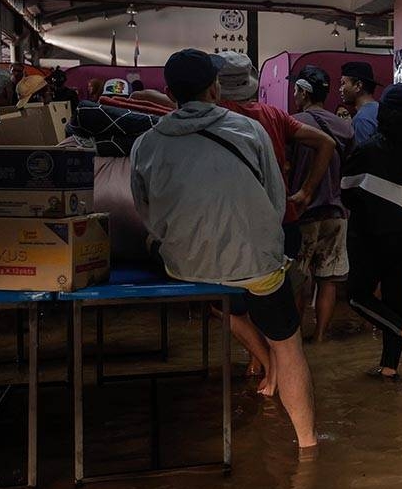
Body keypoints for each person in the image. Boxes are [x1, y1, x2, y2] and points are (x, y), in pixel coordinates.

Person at [130, 48, 317, 450]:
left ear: (169, 92)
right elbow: (273, 200)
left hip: (184, 267)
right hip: (253, 265)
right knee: (289, 345)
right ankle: (307, 444)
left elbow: (146, 214)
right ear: (215, 89)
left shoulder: (145, 144)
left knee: (217, 298)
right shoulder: (251, 132)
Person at [215, 52, 335, 382]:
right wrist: (306, 191)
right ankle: (278, 364)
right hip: (284, 221)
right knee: (276, 300)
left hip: (240, 228)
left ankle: (264, 362)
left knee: (228, 304)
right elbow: (326, 144)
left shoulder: (218, 116)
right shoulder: (275, 115)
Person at [342, 83, 402, 381]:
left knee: (358, 296)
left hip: (370, 238)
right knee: (396, 301)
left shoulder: (368, 148)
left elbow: (347, 192)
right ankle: (389, 367)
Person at [287, 65, 354, 342]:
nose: (294, 94)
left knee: (300, 280)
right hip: (337, 213)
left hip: (304, 211)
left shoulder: (293, 123)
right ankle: (321, 337)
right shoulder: (345, 127)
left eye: (296, 90)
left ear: (304, 92)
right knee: (328, 280)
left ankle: (294, 340)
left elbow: (286, 165)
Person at [340, 61, 378, 146]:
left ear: (358, 86)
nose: (340, 89)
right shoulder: (380, 109)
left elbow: (363, 157)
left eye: (343, 83)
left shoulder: (362, 119)